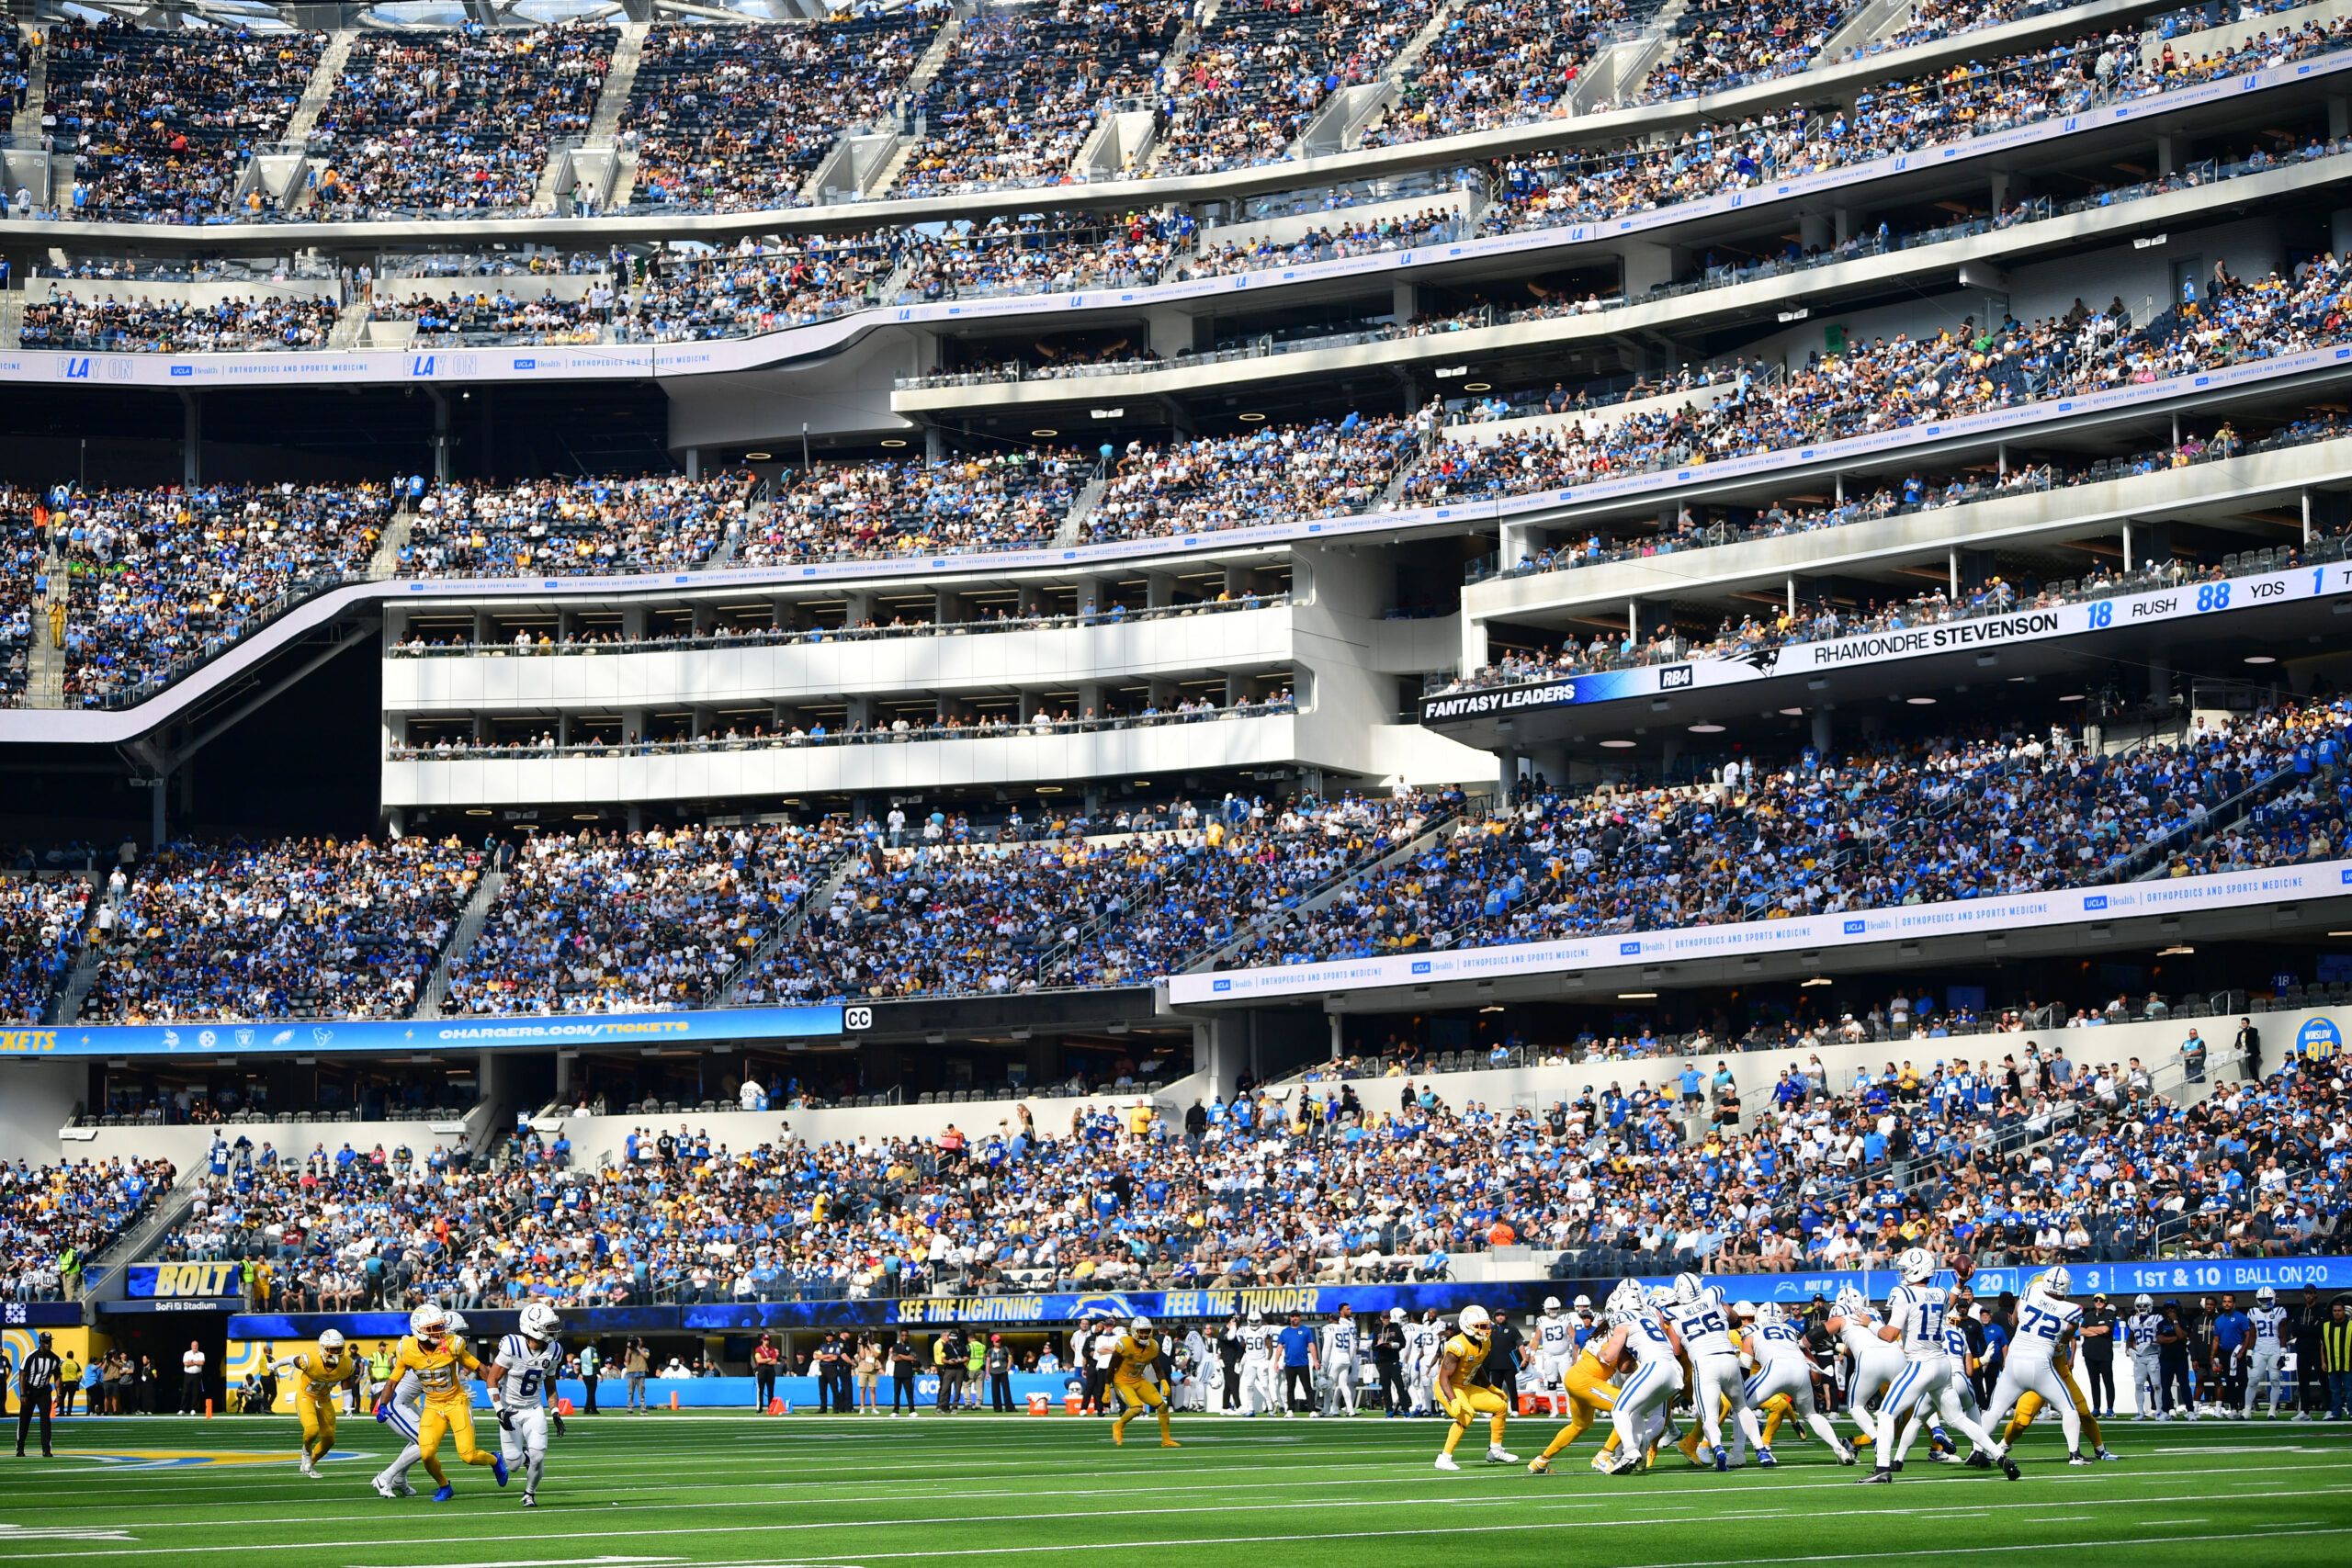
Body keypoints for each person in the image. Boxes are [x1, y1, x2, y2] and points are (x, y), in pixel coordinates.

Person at [1857, 1249, 2018, 1483]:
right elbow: (1949, 1299)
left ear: (1916, 1269)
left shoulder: (1903, 1293)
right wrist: (1961, 1281)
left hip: (1920, 1363)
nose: (1902, 1273)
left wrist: (1870, 1324)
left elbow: (1890, 1335)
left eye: (1905, 1269)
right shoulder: (1939, 1293)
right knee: (1959, 1419)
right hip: (1943, 1365)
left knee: (1885, 1413)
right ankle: (1999, 1456)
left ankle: (1882, 1468)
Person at [390, 1303, 508, 1501]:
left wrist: (495, 1391)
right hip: (430, 1405)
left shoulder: (452, 1345)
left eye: (441, 1327)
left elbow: (478, 1367)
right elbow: (397, 1376)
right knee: (426, 1452)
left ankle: (495, 1459)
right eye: (434, 1328)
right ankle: (443, 1485)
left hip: (454, 1402)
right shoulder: (409, 1349)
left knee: (468, 1455)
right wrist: (384, 1404)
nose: (440, 1332)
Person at [1981, 1268, 2087, 1462]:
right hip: (2040, 1364)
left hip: (2014, 1362)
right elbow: (2067, 1335)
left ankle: (1977, 1451)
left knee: (1994, 1410)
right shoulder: (2072, 1310)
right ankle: (2074, 1455)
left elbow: (2014, 1319)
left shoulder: (2032, 1291)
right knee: (2068, 1409)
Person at [487, 1303, 563, 1508]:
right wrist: (499, 1410)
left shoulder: (555, 1351)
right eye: (547, 1327)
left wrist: (555, 1411)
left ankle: (529, 1493)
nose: (552, 1331)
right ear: (533, 1328)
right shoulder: (513, 1346)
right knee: (512, 1465)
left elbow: (550, 1384)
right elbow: (492, 1379)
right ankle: (524, 1457)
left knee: (538, 1457)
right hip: (510, 1409)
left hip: (533, 1409)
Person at [1432, 1304, 1516, 1471]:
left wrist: (1490, 1387)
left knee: (1500, 1406)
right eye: (1480, 1327)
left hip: (1465, 1386)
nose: (1485, 1330)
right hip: (1448, 1387)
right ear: (1467, 1326)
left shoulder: (1484, 1343)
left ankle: (1495, 1450)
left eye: (1486, 1326)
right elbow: (1443, 1377)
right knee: (1467, 1415)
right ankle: (1444, 1458)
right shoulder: (1457, 1345)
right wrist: (1453, 1400)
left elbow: (1476, 1366)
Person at [271, 1329, 363, 1477]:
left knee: (329, 1439)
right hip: (306, 1397)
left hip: (324, 1400)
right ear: (322, 1348)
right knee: (312, 1430)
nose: (335, 1353)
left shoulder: (347, 1364)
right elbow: (291, 1359)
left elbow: (346, 1384)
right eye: (331, 1349)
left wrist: (347, 1404)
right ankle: (306, 1450)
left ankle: (310, 1464)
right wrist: (275, 1365)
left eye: (338, 1349)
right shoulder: (310, 1360)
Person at [1108, 1315, 1179, 1449]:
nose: (1145, 1334)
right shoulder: (1124, 1344)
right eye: (1142, 1331)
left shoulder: (1153, 1346)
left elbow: (1157, 1367)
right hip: (1122, 1381)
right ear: (1134, 1331)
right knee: (1136, 1407)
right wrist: (1107, 1387)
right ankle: (1119, 1425)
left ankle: (1166, 1439)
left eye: (1147, 1331)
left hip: (1139, 1379)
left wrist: (1163, 1381)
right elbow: (1111, 1366)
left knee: (1162, 1406)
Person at [2243, 1286, 2290, 1418]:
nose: (2264, 1302)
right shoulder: (2253, 1312)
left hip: (2274, 1349)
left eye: (2267, 1299)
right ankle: (2247, 1411)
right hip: (2259, 1349)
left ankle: (2272, 1410)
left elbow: (2282, 1334)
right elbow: (2252, 1335)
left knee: (2275, 1380)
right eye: (2262, 1299)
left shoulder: (2280, 1311)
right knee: (2252, 1380)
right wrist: (2249, 1353)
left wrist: (2283, 1354)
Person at [15, 1333, 60, 1459]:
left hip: (44, 1391)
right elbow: (22, 1375)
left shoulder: (55, 1359)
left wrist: (59, 1394)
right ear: (40, 1343)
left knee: (46, 1420)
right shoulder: (31, 1357)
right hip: (29, 1390)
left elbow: (57, 1377)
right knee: (24, 1419)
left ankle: (46, 1449)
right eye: (45, 1342)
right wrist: (23, 1394)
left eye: (49, 1341)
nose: (48, 1344)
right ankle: (20, 1448)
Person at [2126, 1293, 2165, 1418]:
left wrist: (2153, 1344)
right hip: (2140, 1357)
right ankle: (2140, 1412)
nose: (2142, 1308)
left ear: (2150, 1306)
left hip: (2153, 1355)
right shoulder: (2132, 1320)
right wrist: (2129, 1349)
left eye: (2145, 1306)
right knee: (2138, 1384)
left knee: (2156, 1385)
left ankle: (2159, 1411)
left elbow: (2161, 1336)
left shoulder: (2157, 1319)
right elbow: (2130, 1337)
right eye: (2139, 1306)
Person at [1320, 1305, 1361, 1416]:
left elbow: (1327, 1347)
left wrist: (1324, 1363)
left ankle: (1326, 1409)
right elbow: (1352, 1346)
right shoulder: (1346, 1327)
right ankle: (1350, 1409)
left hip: (1335, 1359)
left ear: (1330, 1318)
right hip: (1346, 1359)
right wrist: (1351, 1358)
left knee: (1328, 1385)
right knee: (1343, 1385)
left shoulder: (1328, 1328)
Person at [1278, 1313, 1315, 1416]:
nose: (1295, 1318)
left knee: (1307, 1387)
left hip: (1302, 1363)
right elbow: (1280, 1346)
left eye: (1297, 1316)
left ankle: (1312, 1410)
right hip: (1290, 1364)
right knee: (1290, 1387)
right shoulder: (1285, 1332)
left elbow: (1311, 1345)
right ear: (1290, 1318)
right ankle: (1290, 1409)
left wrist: (1315, 1360)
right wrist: (1276, 1361)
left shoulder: (1305, 1330)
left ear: (1300, 1318)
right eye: (1293, 1316)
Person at [1375, 1308, 1410, 1416]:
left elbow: (1403, 1343)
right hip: (1382, 1361)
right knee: (1385, 1387)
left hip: (1393, 1360)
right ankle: (1389, 1409)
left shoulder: (1395, 1327)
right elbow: (1373, 1346)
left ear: (1390, 1318)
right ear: (1381, 1318)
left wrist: (1392, 1345)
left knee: (1399, 1385)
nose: (1386, 1319)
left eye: (1387, 1317)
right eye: (1384, 1318)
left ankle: (1406, 1409)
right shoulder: (1377, 1330)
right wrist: (1379, 1345)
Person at [2324, 1300, 2352, 1419]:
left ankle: (2351, 1411)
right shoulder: (2326, 1326)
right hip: (2332, 1364)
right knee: (2335, 1391)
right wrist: (2323, 1362)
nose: (2337, 1313)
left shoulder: (2350, 1325)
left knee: (2350, 1390)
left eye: (2339, 1310)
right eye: (2335, 1311)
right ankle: (2335, 1413)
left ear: (2344, 1312)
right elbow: (2322, 1346)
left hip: (2348, 1364)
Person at [889, 1333, 920, 1416]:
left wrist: (901, 1356)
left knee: (909, 1393)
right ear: (900, 1336)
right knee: (897, 1393)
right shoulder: (896, 1346)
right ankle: (896, 1411)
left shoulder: (911, 1346)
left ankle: (912, 1410)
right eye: (903, 1335)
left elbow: (912, 1358)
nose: (904, 1337)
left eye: (906, 1335)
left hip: (907, 1373)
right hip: (897, 1373)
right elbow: (894, 1358)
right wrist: (906, 1357)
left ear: (908, 1336)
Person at [752, 1335, 781, 1412]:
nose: (766, 1341)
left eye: (767, 1340)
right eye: (765, 1340)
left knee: (771, 1389)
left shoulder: (772, 1349)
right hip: (761, 1369)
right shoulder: (758, 1349)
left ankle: (770, 1407)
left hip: (770, 1370)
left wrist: (765, 1360)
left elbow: (774, 1361)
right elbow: (758, 1360)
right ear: (762, 1340)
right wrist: (768, 1359)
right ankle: (759, 1407)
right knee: (760, 1389)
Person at [986, 1335, 1013, 1414]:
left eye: (999, 1341)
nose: (999, 1343)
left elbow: (1010, 1358)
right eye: (997, 1341)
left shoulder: (1004, 1349)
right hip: (994, 1372)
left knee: (1006, 1390)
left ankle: (1009, 1407)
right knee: (995, 1390)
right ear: (993, 1342)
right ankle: (997, 1408)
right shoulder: (990, 1351)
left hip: (1003, 1371)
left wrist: (1008, 1367)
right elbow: (988, 1362)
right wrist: (987, 1373)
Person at [856, 1335, 883, 1415]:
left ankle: (873, 1408)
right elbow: (862, 1356)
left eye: (869, 1337)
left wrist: (869, 1345)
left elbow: (876, 1355)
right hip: (863, 1369)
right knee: (863, 1389)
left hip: (873, 1369)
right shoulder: (861, 1346)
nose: (867, 1339)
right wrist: (861, 1344)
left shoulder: (877, 1345)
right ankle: (862, 1408)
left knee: (872, 1389)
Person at [179, 1340, 208, 1414]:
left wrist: (193, 1362)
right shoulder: (187, 1353)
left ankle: (193, 1409)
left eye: (196, 1345)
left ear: (198, 1346)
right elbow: (186, 1364)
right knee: (185, 1392)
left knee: (195, 1393)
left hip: (197, 1375)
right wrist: (196, 1362)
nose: (195, 1347)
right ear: (191, 1346)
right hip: (188, 1375)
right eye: (194, 1345)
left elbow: (202, 1363)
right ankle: (182, 1409)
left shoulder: (201, 1354)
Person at [623, 1339, 650, 1413]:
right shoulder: (631, 1350)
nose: (638, 1342)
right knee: (630, 1391)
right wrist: (628, 1348)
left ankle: (643, 1407)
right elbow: (626, 1359)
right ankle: (630, 1407)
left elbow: (646, 1356)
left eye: (639, 1341)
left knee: (641, 1391)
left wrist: (638, 1348)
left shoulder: (645, 1349)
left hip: (641, 1371)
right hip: (631, 1371)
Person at [577, 1340, 601, 1415]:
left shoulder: (583, 1352)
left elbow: (581, 1363)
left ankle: (593, 1409)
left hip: (585, 1374)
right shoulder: (593, 1352)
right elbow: (595, 1363)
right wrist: (599, 1373)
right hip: (592, 1374)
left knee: (590, 1392)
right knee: (591, 1393)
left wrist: (580, 1373)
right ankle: (587, 1409)